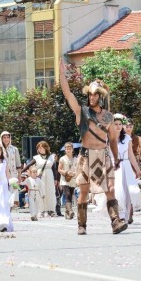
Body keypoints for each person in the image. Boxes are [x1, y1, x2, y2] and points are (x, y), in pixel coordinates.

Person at [59, 64, 128, 235]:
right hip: (86, 155)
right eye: (89, 94)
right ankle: (82, 224)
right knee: (83, 190)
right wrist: (62, 74)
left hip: (103, 155)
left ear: (100, 96)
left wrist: (116, 158)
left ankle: (115, 222)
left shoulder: (107, 116)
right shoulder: (82, 112)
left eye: (94, 94)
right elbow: (68, 94)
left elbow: (112, 139)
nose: (91, 97)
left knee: (110, 189)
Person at [113, 114, 141, 223]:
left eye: (120, 124)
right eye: (115, 124)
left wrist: (138, 170)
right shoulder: (108, 138)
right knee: (118, 191)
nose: (118, 126)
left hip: (126, 166)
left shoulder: (127, 138)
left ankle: (126, 215)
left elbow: (131, 155)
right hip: (114, 167)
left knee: (130, 191)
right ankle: (119, 215)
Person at [22, 141, 57, 218]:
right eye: (38, 147)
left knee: (50, 193)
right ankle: (41, 211)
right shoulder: (36, 157)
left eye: (41, 147)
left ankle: (51, 210)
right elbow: (28, 165)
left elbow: (54, 168)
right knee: (41, 193)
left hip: (50, 175)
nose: (39, 149)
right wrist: (20, 172)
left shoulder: (51, 157)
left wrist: (56, 179)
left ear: (45, 148)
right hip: (40, 176)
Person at [58, 142, 78, 219]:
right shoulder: (62, 159)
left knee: (71, 195)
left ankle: (67, 212)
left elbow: (79, 168)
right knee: (67, 194)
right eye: (66, 149)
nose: (68, 150)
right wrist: (66, 172)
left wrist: (75, 173)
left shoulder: (76, 159)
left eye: (69, 148)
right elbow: (59, 169)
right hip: (64, 179)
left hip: (73, 179)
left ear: (72, 149)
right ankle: (70, 211)